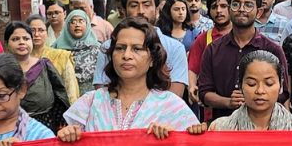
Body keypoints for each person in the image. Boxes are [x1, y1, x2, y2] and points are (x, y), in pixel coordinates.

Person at [58, 18, 199, 137]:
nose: (126, 55)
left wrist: (174, 139)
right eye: (120, 48)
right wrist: (68, 134)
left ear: (152, 59)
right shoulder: (90, 103)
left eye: (137, 49)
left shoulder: (171, 106)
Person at [197, 0, 290, 122]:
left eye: (248, 5)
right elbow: (204, 93)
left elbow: (284, 93)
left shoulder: (272, 49)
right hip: (223, 126)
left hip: (262, 127)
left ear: (258, 12)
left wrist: (254, 98)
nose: (241, 9)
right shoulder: (213, 49)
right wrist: (228, 102)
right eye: (236, 4)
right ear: (229, 9)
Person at [3, 20, 77, 130]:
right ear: (6, 43)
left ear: (31, 42)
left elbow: (60, 96)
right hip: (11, 125)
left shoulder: (44, 66)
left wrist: (62, 124)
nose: (21, 42)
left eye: (26, 38)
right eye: (15, 39)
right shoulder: (1, 70)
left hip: (45, 124)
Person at [58, 8, 104, 92]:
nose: (77, 25)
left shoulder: (97, 49)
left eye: (81, 21)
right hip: (66, 95)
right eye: (73, 22)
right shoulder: (57, 49)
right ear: (67, 25)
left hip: (91, 95)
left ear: (87, 24)